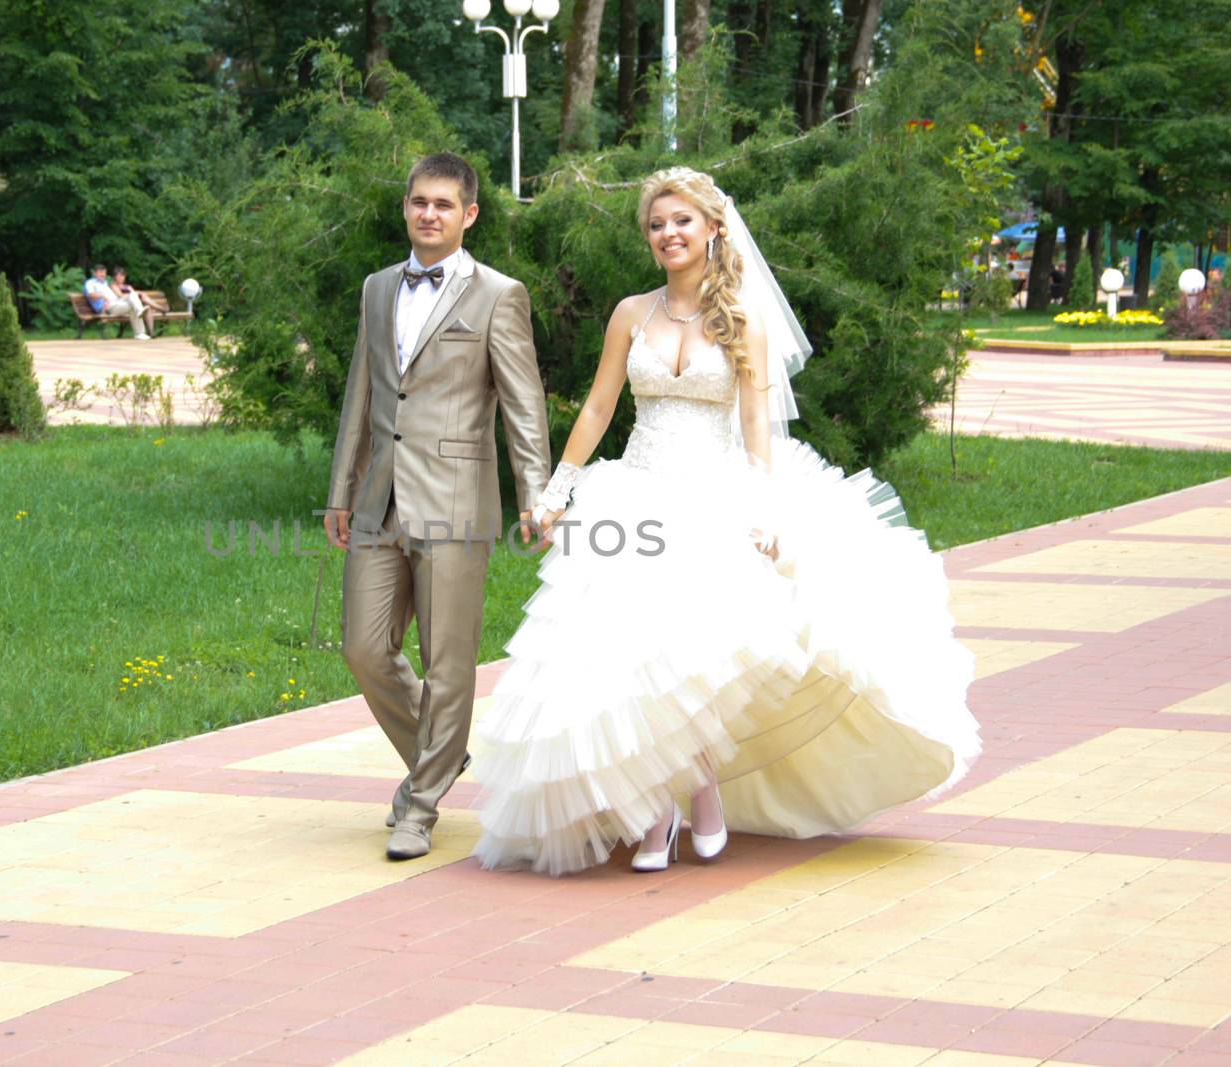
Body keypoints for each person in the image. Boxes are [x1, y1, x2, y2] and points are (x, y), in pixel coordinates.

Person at [472, 167, 980, 876]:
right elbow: (597, 408)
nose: (667, 234)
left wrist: (762, 509)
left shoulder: (744, 318)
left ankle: (701, 788)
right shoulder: (631, 313)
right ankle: (653, 814)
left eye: (681, 221)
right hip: (635, 495)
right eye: (656, 224)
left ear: (714, 228)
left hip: (713, 498)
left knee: (695, 658)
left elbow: (755, 426)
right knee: (630, 656)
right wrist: (558, 490)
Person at [323, 152, 552, 862]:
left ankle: (420, 805)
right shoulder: (377, 287)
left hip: (456, 499)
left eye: (444, 205)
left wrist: (535, 490)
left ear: (469, 214)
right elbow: (363, 389)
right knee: (364, 647)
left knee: (447, 660)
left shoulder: (498, 295)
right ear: (406, 207)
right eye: (419, 202)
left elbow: (523, 402)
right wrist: (341, 486)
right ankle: (441, 752)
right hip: (379, 499)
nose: (429, 214)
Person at [83, 263, 151, 340]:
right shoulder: (90, 283)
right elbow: (90, 295)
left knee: (133, 294)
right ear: (95, 273)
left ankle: (140, 313)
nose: (103, 274)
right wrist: (102, 295)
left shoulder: (105, 283)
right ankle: (139, 332)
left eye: (104, 272)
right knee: (133, 305)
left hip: (117, 302)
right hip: (107, 307)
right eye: (100, 272)